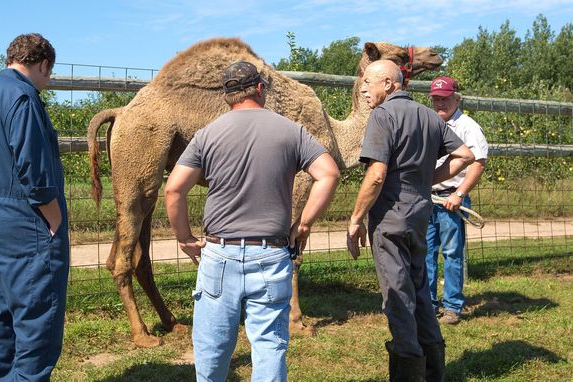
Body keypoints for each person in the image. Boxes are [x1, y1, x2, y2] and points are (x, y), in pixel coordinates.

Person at [164, 61, 340, 382]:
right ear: (260, 88)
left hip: (218, 255)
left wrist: (185, 238)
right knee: (269, 348)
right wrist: (302, 226)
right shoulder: (292, 131)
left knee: (212, 349)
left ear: (226, 96)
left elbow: (174, 189)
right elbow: (329, 174)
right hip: (271, 255)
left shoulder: (207, 135)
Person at [346, 60, 474, 381]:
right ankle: (434, 371)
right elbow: (465, 156)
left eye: (368, 83)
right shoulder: (430, 115)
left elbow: (376, 175)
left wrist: (355, 219)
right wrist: (424, 180)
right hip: (419, 217)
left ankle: (408, 371)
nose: (363, 89)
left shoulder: (383, 115)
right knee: (418, 291)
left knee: (398, 298)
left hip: (390, 220)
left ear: (389, 84)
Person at [0, 33, 69, 381]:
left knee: (0, 312)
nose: (47, 81)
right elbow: (33, 168)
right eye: (48, 74)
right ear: (42, 65)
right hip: (21, 227)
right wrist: (53, 218)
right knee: (37, 320)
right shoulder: (24, 99)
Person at [426, 76, 489, 325]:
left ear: (456, 98)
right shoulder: (431, 123)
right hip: (429, 198)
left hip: (451, 199)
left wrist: (459, 193)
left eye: (445, 98)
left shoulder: (468, 126)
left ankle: (452, 306)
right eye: (436, 99)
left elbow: (478, 162)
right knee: (425, 253)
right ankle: (428, 304)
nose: (440, 103)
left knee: (452, 254)